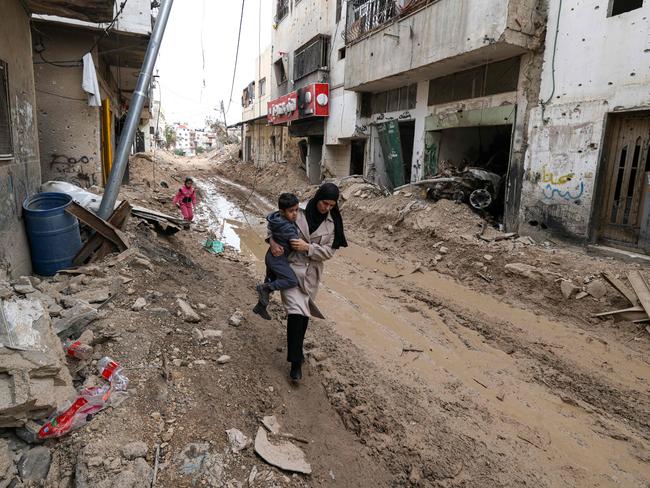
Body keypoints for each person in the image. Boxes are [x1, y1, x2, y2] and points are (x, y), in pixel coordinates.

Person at [268, 182, 347, 381]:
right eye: (324, 203)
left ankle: (298, 350)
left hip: (312, 274)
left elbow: (329, 251)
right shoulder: (297, 209)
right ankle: (295, 363)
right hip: (291, 269)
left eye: (331, 205)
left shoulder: (332, 223)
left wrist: (308, 248)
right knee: (295, 312)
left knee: (303, 316)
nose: (327, 208)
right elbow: (274, 225)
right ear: (317, 198)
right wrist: (272, 241)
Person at [253, 193, 301, 321]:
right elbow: (297, 244)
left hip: (271, 256)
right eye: (291, 211)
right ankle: (264, 287)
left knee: (269, 281)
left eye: (297, 210)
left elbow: (270, 229)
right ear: (282, 212)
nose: (295, 214)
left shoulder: (276, 218)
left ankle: (260, 307)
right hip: (277, 259)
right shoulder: (287, 227)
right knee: (291, 281)